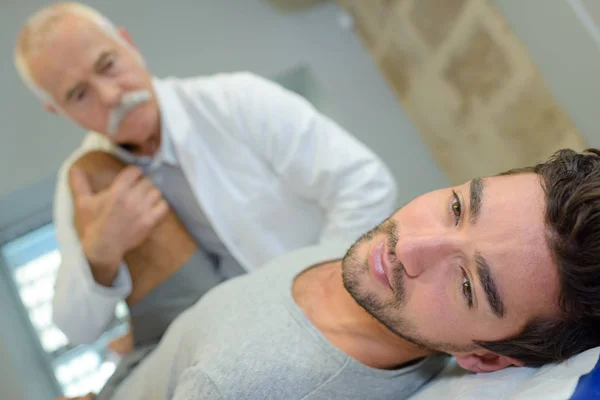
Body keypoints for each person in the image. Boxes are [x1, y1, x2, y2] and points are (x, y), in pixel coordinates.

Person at [67, 148, 600, 399]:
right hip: (166, 342)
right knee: (93, 167)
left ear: (484, 357)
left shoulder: (236, 384)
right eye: (458, 208)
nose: (409, 246)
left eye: (466, 285)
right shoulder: (378, 278)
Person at [14, 1, 398, 347]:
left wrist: (320, 291)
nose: (111, 95)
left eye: (108, 64)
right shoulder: (81, 184)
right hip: (229, 357)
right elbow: (75, 330)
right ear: (58, 111)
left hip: (340, 316)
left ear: (129, 44)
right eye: (80, 94)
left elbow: (365, 183)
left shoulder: (237, 100)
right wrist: (100, 253)